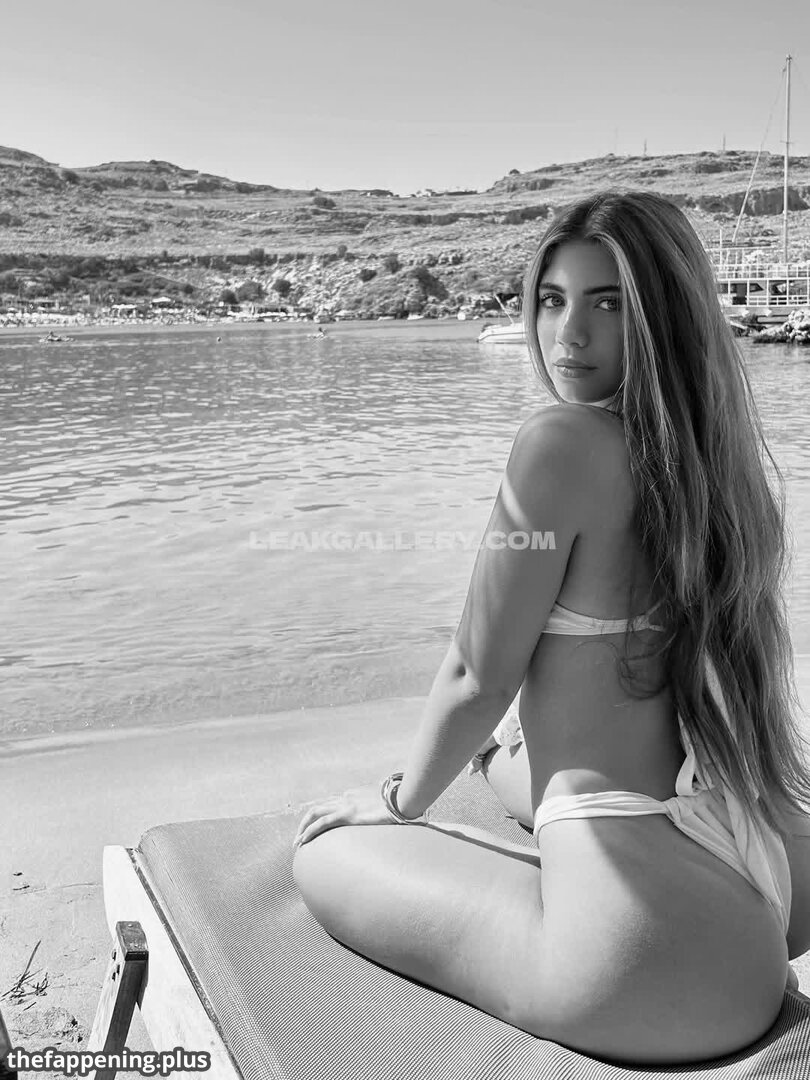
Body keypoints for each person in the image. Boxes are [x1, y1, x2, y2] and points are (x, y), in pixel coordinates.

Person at [292, 191, 810, 1065]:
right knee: (505, 754)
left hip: (648, 967)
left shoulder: (561, 443)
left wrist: (395, 802)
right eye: (552, 299)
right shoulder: (717, 459)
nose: (569, 334)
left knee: (324, 853)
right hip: (771, 876)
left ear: (663, 316)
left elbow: (476, 674)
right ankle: (510, 767)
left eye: (608, 303)